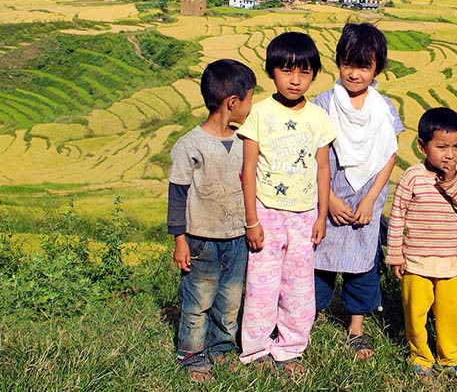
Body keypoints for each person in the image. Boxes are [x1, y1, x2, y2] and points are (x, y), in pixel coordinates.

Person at [236, 31, 337, 376]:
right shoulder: (259, 114)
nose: (295, 80)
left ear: (314, 74)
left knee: (298, 288)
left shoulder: (319, 119)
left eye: (304, 72)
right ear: (271, 71)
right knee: (262, 286)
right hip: (266, 212)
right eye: (286, 71)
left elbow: (323, 169)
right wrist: (252, 220)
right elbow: (248, 169)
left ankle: (290, 348)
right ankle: (255, 349)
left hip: (304, 215)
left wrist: (322, 215)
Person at [312, 23, 403, 361]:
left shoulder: (384, 108)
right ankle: (308, 319)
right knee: (318, 263)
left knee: (362, 265)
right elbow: (311, 153)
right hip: (328, 195)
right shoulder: (322, 104)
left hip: (367, 199)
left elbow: (389, 154)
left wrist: (370, 198)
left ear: (377, 68)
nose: (354, 73)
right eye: (348, 64)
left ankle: (356, 329)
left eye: (364, 66)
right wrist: (329, 200)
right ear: (338, 62)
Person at [167, 59, 257, 382]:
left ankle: (220, 348)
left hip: (236, 237)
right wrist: (179, 240)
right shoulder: (190, 145)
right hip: (201, 238)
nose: (250, 107)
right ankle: (192, 354)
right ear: (232, 103)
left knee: (230, 298)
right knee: (199, 298)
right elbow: (177, 195)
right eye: (249, 99)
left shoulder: (246, 142)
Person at [385, 107, 457, 378]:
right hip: (416, 261)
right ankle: (420, 355)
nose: (450, 154)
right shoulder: (412, 177)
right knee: (415, 313)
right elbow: (397, 216)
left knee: (451, 314)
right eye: (441, 147)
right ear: (422, 146)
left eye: (456, 146)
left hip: (450, 262)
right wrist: (395, 255)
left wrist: (451, 183)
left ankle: (450, 357)